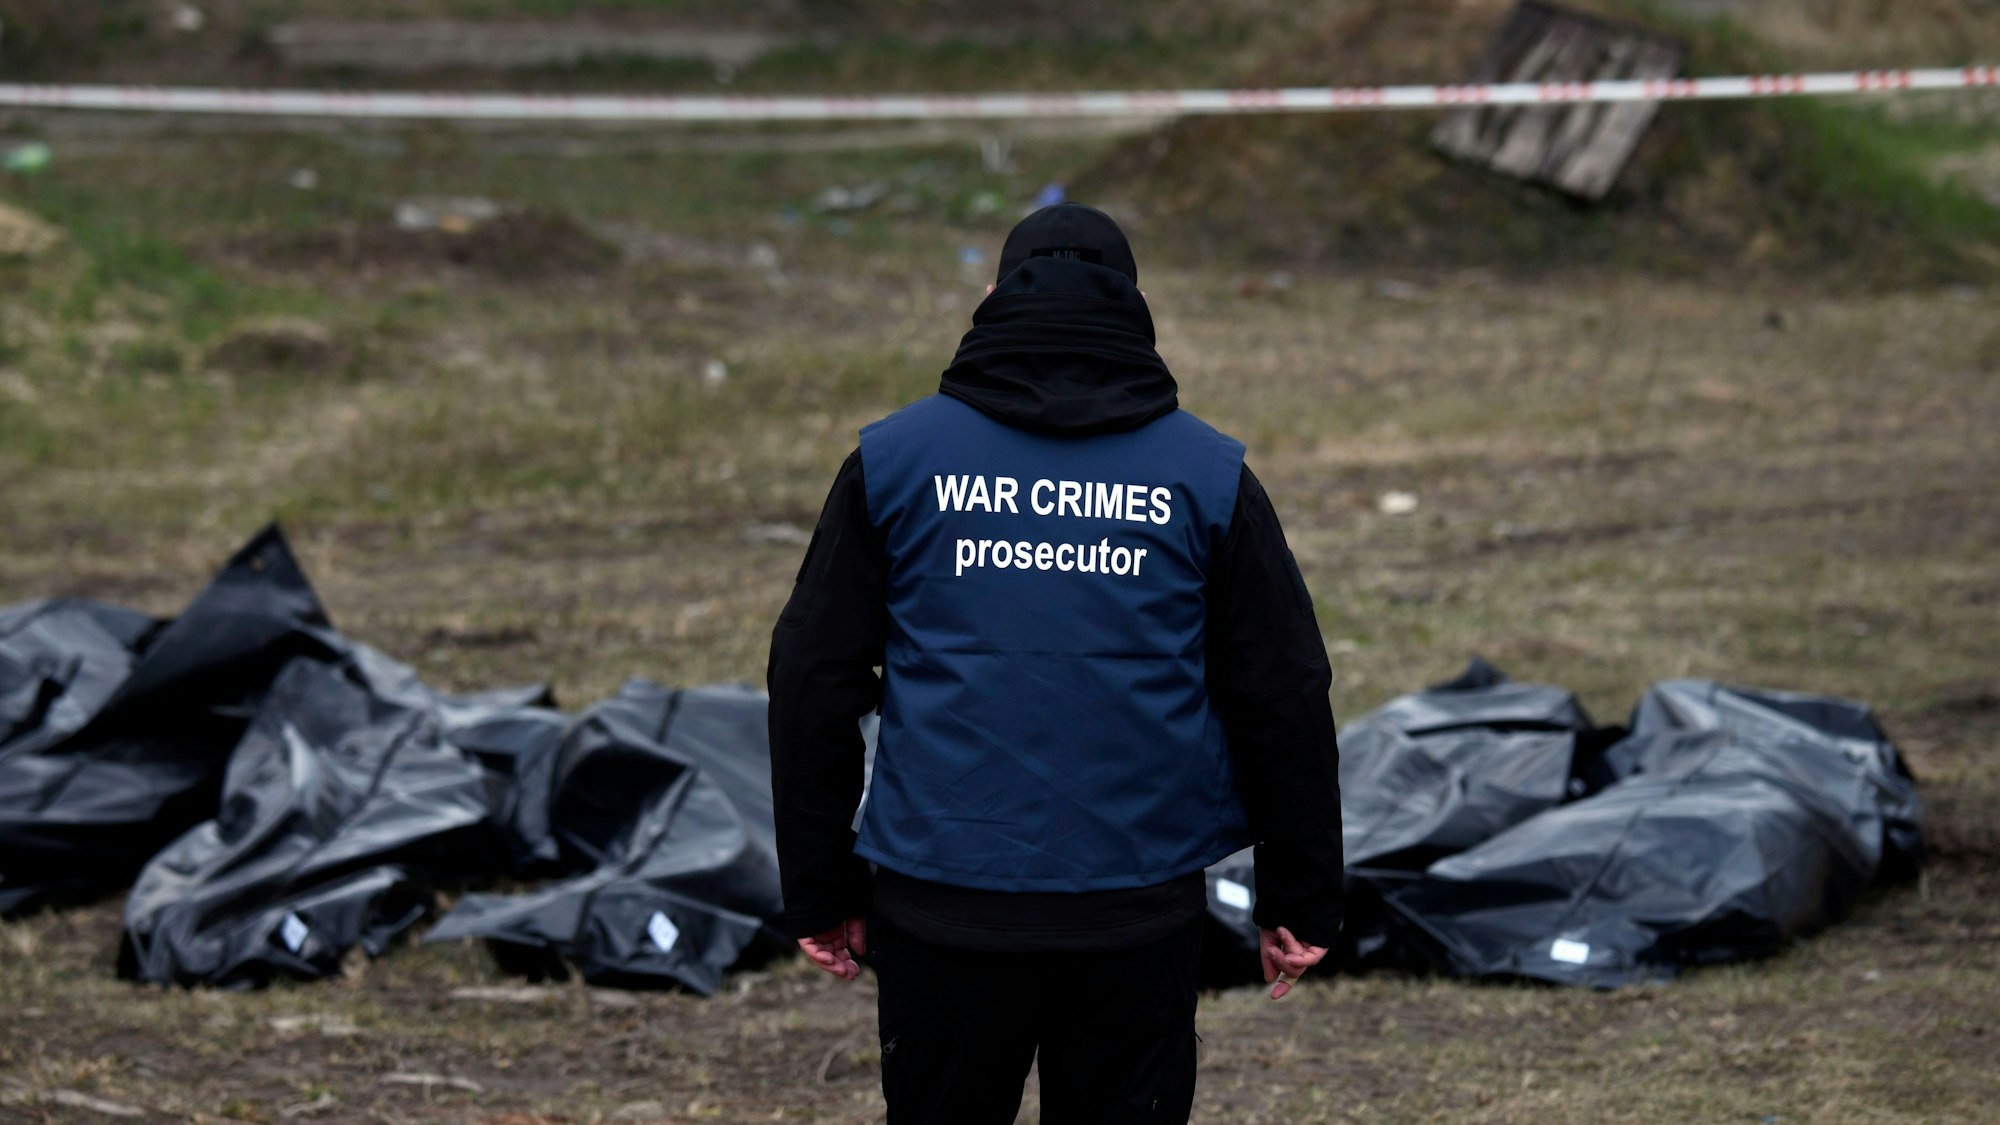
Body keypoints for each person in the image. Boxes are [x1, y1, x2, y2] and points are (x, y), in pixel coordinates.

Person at [768, 202, 1343, 1125]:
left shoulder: (894, 462)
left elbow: (810, 678)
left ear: (990, 299)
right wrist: (1302, 890)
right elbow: (1282, 686)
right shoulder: (1207, 476)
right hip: (1136, 911)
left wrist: (820, 886)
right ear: (1137, 306)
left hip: (939, 904)